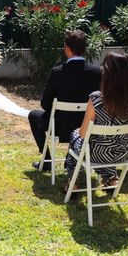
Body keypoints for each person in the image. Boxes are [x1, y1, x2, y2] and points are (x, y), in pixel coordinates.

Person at [64, 52, 128, 192]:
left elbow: (84, 133)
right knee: (107, 145)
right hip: (124, 153)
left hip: (96, 154)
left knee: (76, 135)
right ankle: (112, 178)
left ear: (107, 72)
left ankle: (73, 184)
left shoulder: (97, 99)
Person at [28, 30, 101, 171]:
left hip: (60, 125)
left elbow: (45, 103)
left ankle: (47, 159)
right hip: (87, 125)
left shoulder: (57, 72)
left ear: (67, 49)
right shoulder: (97, 72)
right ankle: (71, 158)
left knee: (33, 115)